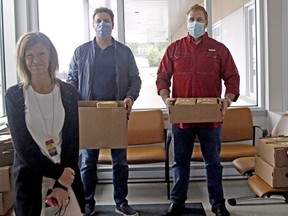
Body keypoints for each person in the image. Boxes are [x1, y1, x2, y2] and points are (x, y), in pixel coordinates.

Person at [156, 4, 240, 216]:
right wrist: (167, 99)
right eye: (192, 19)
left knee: (213, 163)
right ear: (187, 23)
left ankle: (218, 204)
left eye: (199, 19)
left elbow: (232, 78)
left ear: (207, 22)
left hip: (210, 118)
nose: (195, 23)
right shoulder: (174, 49)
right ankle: (177, 202)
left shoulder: (219, 50)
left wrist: (227, 101)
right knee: (180, 162)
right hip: (182, 118)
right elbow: (162, 78)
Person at [67, 7, 141, 216]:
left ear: (113, 24)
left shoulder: (124, 52)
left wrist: (130, 97)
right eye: (98, 20)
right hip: (90, 114)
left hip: (116, 114)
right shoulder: (81, 52)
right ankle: (87, 202)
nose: (102, 24)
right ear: (93, 24)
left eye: (106, 20)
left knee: (120, 162)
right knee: (88, 162)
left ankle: (121, 202)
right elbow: (71, 80)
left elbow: (135, 79)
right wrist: (75, 103)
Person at [5, 32, 85, 216]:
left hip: (66, 172)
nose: (36, 60)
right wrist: (57, 173)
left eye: (41, 53)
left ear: (50, 56)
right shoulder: (14, 96)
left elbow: (72, 140)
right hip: (31, 175)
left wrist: (61, 183)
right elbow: (23, 147)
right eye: (29, 55)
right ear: (23, 60)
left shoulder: (68, 92)